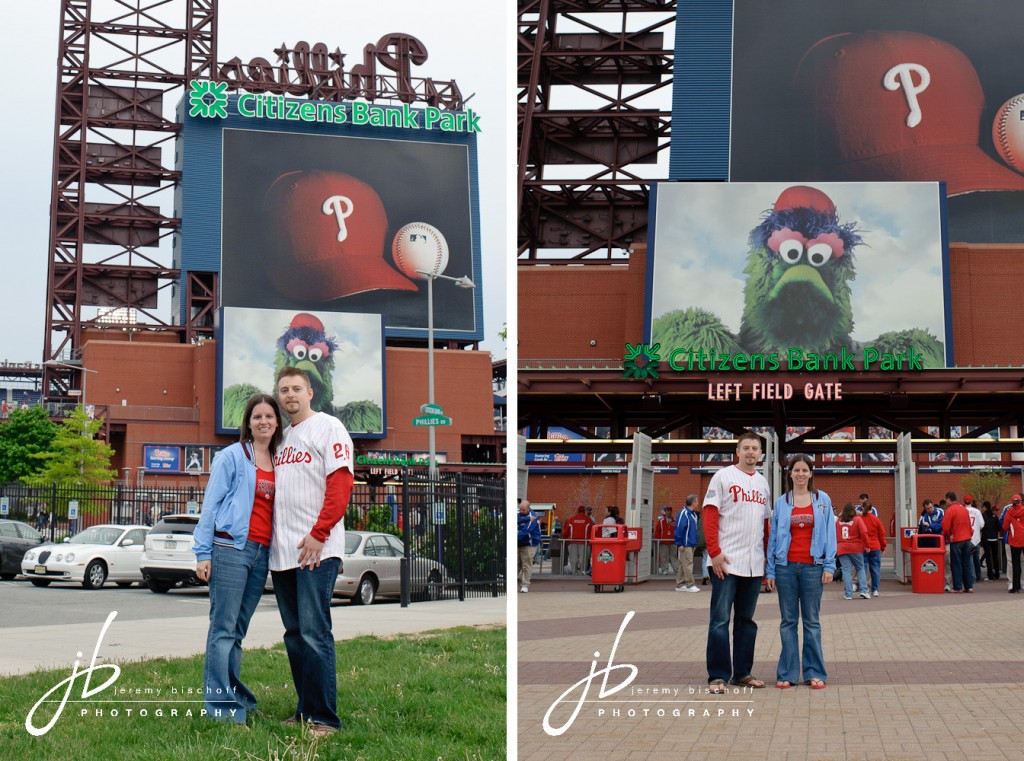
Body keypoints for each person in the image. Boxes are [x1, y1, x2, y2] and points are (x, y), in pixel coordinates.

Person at [271, 367, 355, 737]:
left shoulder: (329, 427)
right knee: (295, 634)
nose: (290, 394)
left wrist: (319, 533)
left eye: (296, 388)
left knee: (314, 632)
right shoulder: (282, 439)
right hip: (283, 553)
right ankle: (305, 710)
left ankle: (324, 718)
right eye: (284, 389)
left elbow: (341, 483)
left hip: (316, 550)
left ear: (310, 392)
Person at [193, 393, 282, 723]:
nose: (263, 421)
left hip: (261, 553)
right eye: (257, 417)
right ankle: (221, 708)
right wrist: (203, 553)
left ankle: (234, 697)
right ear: (248, 422)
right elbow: (210, 505)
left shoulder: (279, 459)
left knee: (237, 631)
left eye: (269, 416)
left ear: (277, 422)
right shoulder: (232, 456)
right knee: (223, 630)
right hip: (230, 549)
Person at [703, 431, 772, 694]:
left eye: (755, 448)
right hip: (726, 561)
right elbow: (710, 515)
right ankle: (718, 676)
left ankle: (742, 673)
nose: (751, 452)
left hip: (753, 563)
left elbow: (765, 525)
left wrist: (766, 560)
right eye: (746, 448)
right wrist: (714, 552)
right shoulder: (722, 476)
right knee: (720, 621)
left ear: (761, 453)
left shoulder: (763, 483)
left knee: (746, 621)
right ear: (738, 451)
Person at [765, 455, 836, 689]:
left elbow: (830, 534)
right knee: (788, 621)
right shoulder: (782, 502)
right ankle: (787, 673)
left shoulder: (822, 500)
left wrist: (829, 566)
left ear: (811, 473)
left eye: (805, 470)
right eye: (797, 470)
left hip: (813, 568)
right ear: (790, 474)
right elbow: (774, 538)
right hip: (785, 568)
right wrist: (771, 571)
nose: (801, 474)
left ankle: (814, 672)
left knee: (812, 622)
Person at [835, 502, 870, 600]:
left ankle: (848, 593)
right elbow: (864, 533)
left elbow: (834, 534)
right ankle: (864, 590)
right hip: (855, 547)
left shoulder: (838, 521)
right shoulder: (857, 520)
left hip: (842, 548)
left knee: (846, 570)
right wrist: (867, 546)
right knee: (860, 568)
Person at [942, 491, 974, 593]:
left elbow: (945, 527)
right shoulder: (964, 509)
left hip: (956, 540)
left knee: (956, 564)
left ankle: (958, 587)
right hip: (967, 539)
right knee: (966, 563)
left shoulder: (950, 510)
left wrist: (948, 537)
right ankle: (969, 586)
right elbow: (969, 525)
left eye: (946, 500)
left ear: (948, 499)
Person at [674, 495, 700, 592]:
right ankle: (690, 584)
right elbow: (679, 528)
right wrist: (680, 543)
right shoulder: (684, 513)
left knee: (683, 563)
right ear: (692, 502)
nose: (698, 503)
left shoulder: (693, 514)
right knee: (688, 563)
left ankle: (680, 584)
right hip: (686, 543)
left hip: (691, 542)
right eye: (696, 501)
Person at [859, 503, 887, 597]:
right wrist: (883, 547)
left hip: (863, 547)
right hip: (875, 546)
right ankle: (875, 590)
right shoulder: (876, 519)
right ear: (871, 508)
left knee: (862, 568)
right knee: (875, 568)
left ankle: (863, 588)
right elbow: (882, 534)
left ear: (862, 508)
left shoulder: (860, 519)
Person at [1002, 494, 1024, 593]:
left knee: (1015, 564)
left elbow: (1005, 526)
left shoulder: (1009, 511)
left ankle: (1016, 586)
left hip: (1015, 540)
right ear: (1021, 501)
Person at [563, 506, 594, 575]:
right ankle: (582, 572)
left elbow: (565, 532)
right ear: (584, 511)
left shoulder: (571, 520)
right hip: (585, 542)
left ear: (577, 511)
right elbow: (593, 530)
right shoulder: (588, 520)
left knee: (573, 559)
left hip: (572, 542)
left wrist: (564, 538)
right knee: (583, 559)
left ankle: (574, 572)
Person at [517, 499, 540, 592]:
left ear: (528, 509)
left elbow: (526, 531)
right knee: (517, 564)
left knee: (526, 565)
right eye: (520, 509)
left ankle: (524, 585)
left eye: (523, 510)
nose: (521, 511)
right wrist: (526, 519)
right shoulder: (521, 515)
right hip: (519, 543)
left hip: (529, 544)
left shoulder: (533, 516)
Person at [964, 495, 984, 583]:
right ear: (971, 502)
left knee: (969, 558)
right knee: (977, 558)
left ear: (964, 502)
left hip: (967, 537)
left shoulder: (962, 510)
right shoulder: (977, 511)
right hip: (976, 538)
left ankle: (972, 577)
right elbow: (982, 524)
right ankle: (978, 575)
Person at [981, 501, 1002, 580]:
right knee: (995, 556)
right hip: (994, 538)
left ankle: (990, 575)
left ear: (985, 507)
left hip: (986, 538)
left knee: (988, 557)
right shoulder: (994, 516)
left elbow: (981, 526)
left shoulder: (983, 516)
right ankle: (997, 574)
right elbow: (999, 528)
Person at [654, 506, 677, 574]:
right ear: (665, 512)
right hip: (663, 541)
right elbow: (657, 531)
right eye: (668, 511)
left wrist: (677, 539)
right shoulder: (661, 521)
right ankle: (664, 569)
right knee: (664, 556)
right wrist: (659, 539)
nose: (669, 512)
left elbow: (677, 530)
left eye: (670, 511)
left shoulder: (675, 521)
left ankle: (676, 569)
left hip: (673, 541)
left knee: (674, 556)